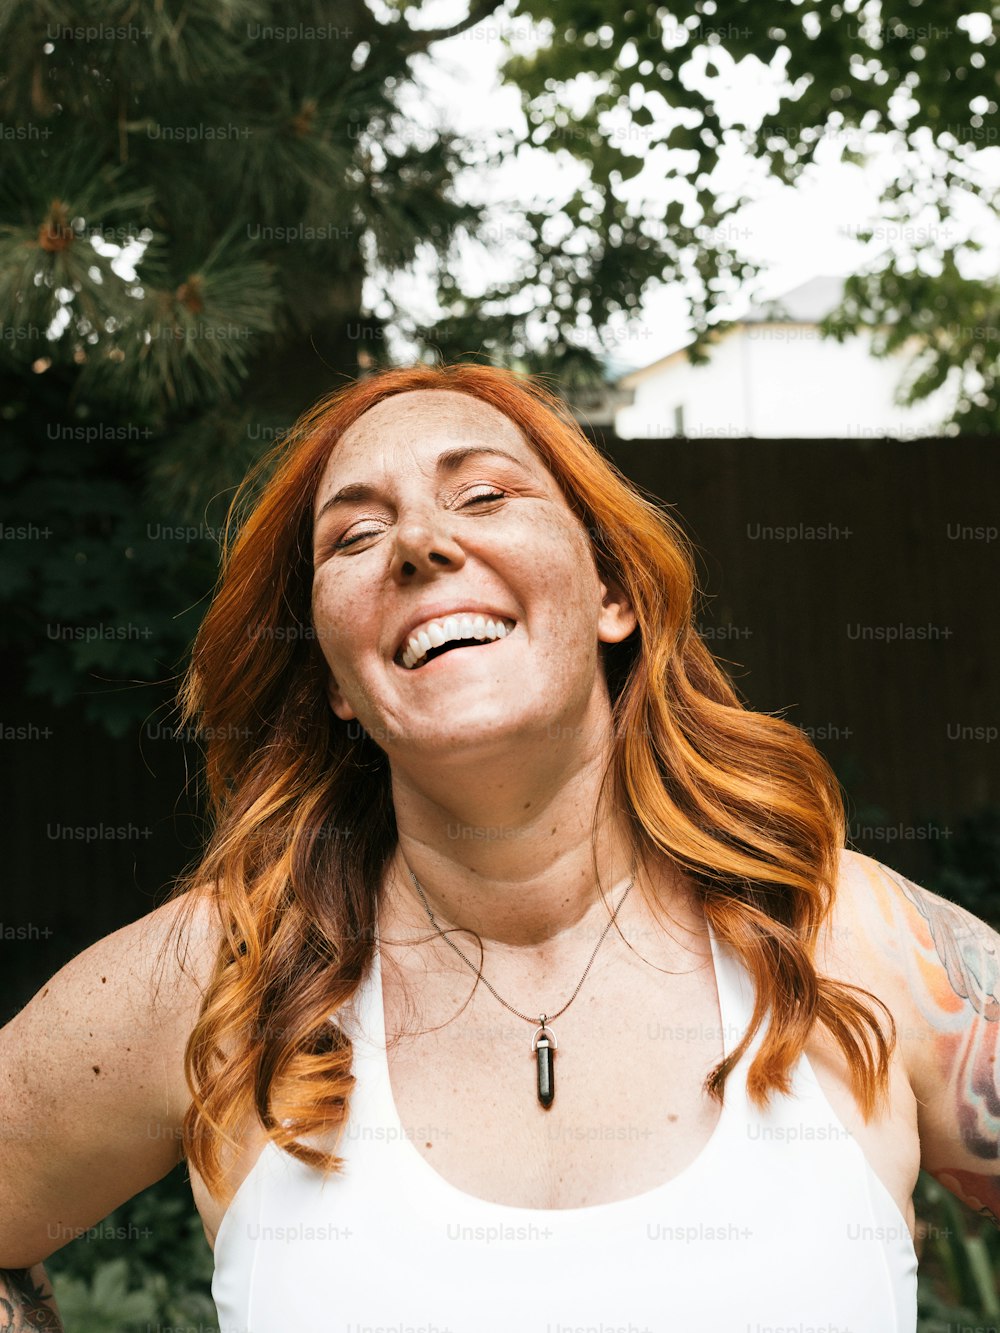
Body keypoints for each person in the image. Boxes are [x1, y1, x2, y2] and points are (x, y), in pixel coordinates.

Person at [2, 362, 997, 1332]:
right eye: (354, 534)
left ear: (613, 594)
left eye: (481, 493)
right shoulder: (223, 975)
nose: (420, 543)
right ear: (339, 685)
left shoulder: (854, 943)